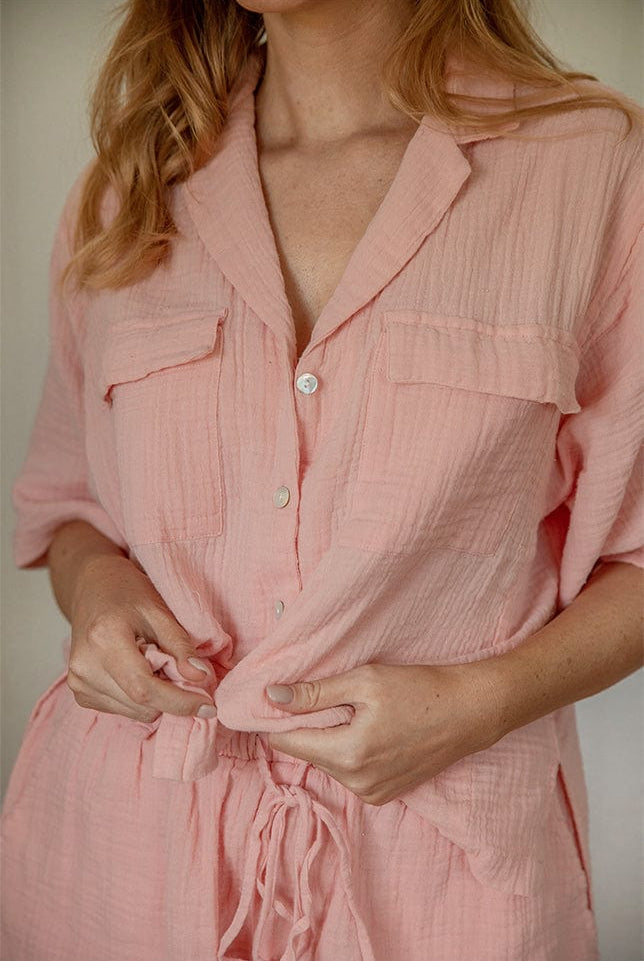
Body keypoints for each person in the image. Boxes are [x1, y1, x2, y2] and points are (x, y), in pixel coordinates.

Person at [1, 1, 642, 959]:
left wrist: (484, 702)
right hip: (125, 865)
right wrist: (97, 592)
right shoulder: (128, 187)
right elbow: (70, 511)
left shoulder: (594, 169)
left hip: (442, 880)